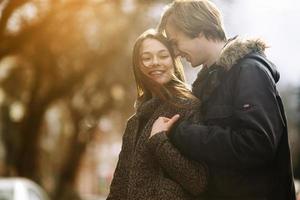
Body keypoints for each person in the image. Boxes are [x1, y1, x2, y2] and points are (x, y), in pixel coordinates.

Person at [151, 0, 296, 200]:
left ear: (199, 30)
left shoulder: (249, 71)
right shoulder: (204, 86)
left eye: (175, 42)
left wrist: (181, 133)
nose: (175, 53)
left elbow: (256, 144)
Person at [106, 29, 208, 200]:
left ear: (174, 61)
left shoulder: (189, 106)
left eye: (163, 56)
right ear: (138, 66)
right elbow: (120, 184)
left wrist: (159, 141)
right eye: (146, 58)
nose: (155, 62)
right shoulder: (134, 121)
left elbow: (197, 181)